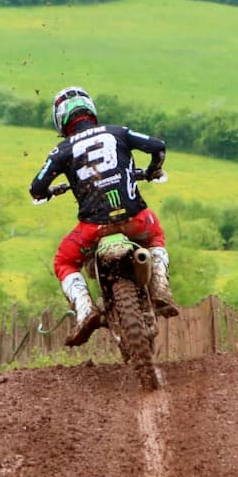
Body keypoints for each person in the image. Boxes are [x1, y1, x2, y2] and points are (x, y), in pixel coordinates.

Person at [29, 85, 179, 348]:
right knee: (155, 236)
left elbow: (36, 187)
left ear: (60, 120)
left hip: (93, 229)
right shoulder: (119, 132)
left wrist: (48, 192)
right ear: (91, 110)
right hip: (135, 221)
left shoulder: (61, 151)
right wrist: (154, 170)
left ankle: (85, 309)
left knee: (64, 261)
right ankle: (160, 283)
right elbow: (158, 146)